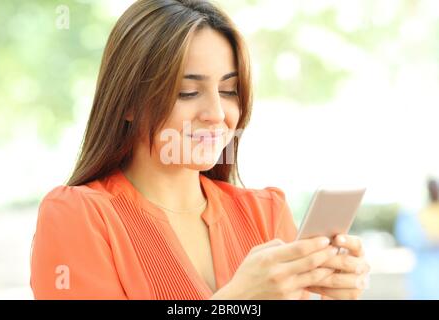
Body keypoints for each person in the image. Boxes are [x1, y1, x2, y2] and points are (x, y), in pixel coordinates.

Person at [30, 0, 370, 300]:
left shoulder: (265, 214)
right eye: (187, 92)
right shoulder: (78, 215)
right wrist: (238, 300)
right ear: (129, 103)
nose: (217, 115)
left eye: (229, 90)